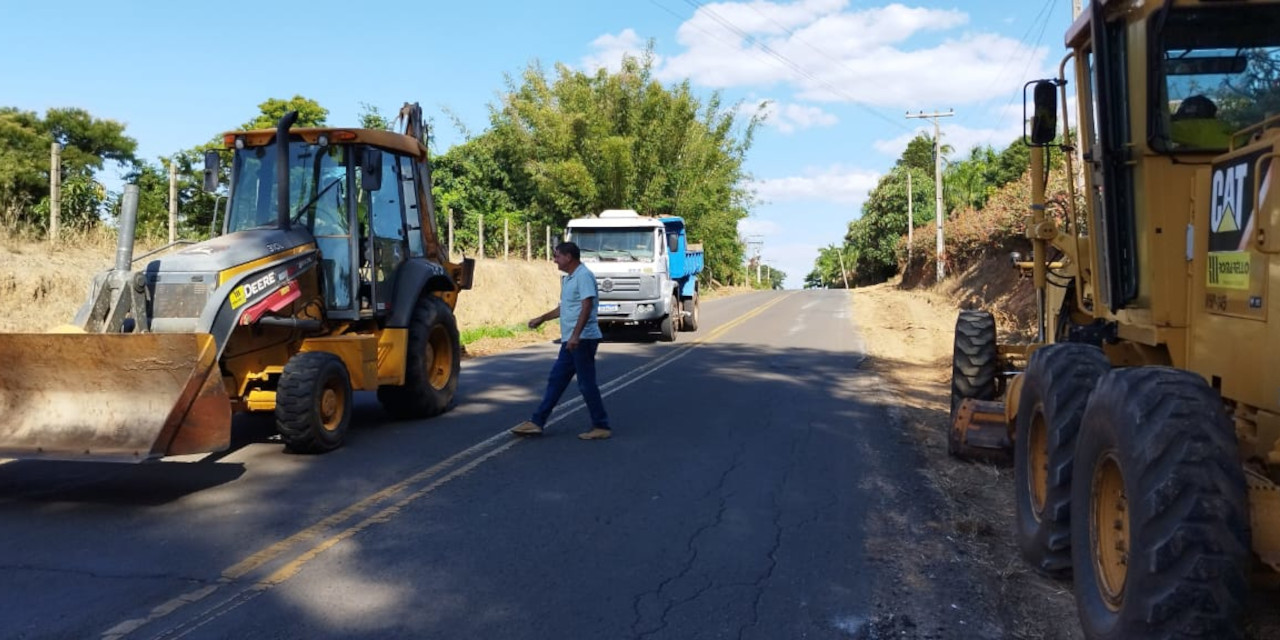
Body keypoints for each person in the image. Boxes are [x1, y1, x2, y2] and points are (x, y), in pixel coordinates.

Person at [510, 241, 612, 440]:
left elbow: (587, 306)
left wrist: (576, 335)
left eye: (557, 256)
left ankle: (601, 426)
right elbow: (563, 308)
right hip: (572, 340)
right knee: (557, 380)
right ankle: (537, 422)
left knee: (586, 384)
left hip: (583, 339)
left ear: (569, 257)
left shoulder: (583, 276)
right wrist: (542, 318)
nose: (555, 260)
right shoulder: (568, 279)